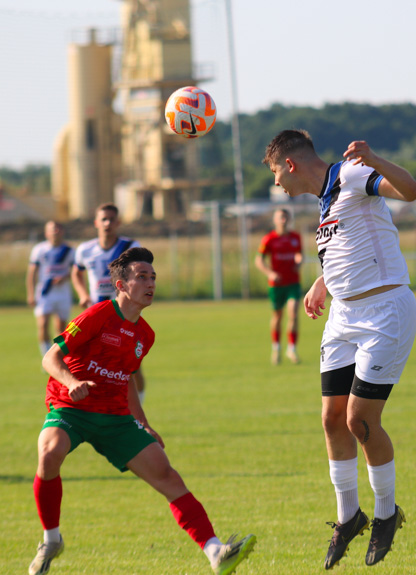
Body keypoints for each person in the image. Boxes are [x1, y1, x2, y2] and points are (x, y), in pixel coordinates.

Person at [29, 247, 255, 575]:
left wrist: (144, 424)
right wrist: (71, 380)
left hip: (116, 417)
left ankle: (215, 550)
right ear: (121, 285)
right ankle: (51, 540)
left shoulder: (144, 335)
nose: (150, 283)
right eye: (141, 277)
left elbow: (127, 380)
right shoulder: (98, 315)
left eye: (153, 277)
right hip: (71, 408)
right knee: (49, 452)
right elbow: (50, 357)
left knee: (166, 475)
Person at [263, 130, 416, 569]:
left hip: (384, 313)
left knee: (359, 420)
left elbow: (411, 191)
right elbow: (346, 249)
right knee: (332, 418)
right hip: (344, 318)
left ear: (290, 165)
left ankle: (387, 514)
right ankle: (348, 517)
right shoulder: (324, 203)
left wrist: (377, 159)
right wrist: (321, 281)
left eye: (276, 172)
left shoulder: (351, 174)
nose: (276, 183)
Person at [71, 204, 147, 403]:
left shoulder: (130, 247)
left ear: (118, 222)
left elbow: (142, 275)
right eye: (103, 219)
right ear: (96, 222)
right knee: (94, 363)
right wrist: (82, 294)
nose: (107, 223)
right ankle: (100, 407)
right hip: (96, 314)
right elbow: (76, 272)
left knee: (131, 366)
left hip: (124, 314)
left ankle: (139, 410)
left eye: (112, 219)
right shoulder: (85, 249)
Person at [254, 208, 303, 365]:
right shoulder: (269, 239)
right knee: (277, 316)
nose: (284, 220)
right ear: (275, 220)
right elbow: (259, 260)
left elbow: (299, 254)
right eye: (281, 217)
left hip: (293, 282)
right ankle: (276, 348)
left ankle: (292, 349)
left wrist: (299, 260)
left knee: (294, 312)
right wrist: (270, 273)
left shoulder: (295, 237)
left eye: (286, 217)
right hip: (277, 284)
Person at [26, 221, 74, 358]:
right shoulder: (39, 249)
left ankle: (59, 357)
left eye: (58, 229)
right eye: (52, 229)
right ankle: (46, 356)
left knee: (60, 328)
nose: (55, 232)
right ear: (46, 232)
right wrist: (30, 293)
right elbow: (32, 272)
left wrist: (64, 278)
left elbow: (75, 272)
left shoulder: (69, 250)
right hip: (44, 293)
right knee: (42, 324)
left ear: (62, 231)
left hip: (62, 293)